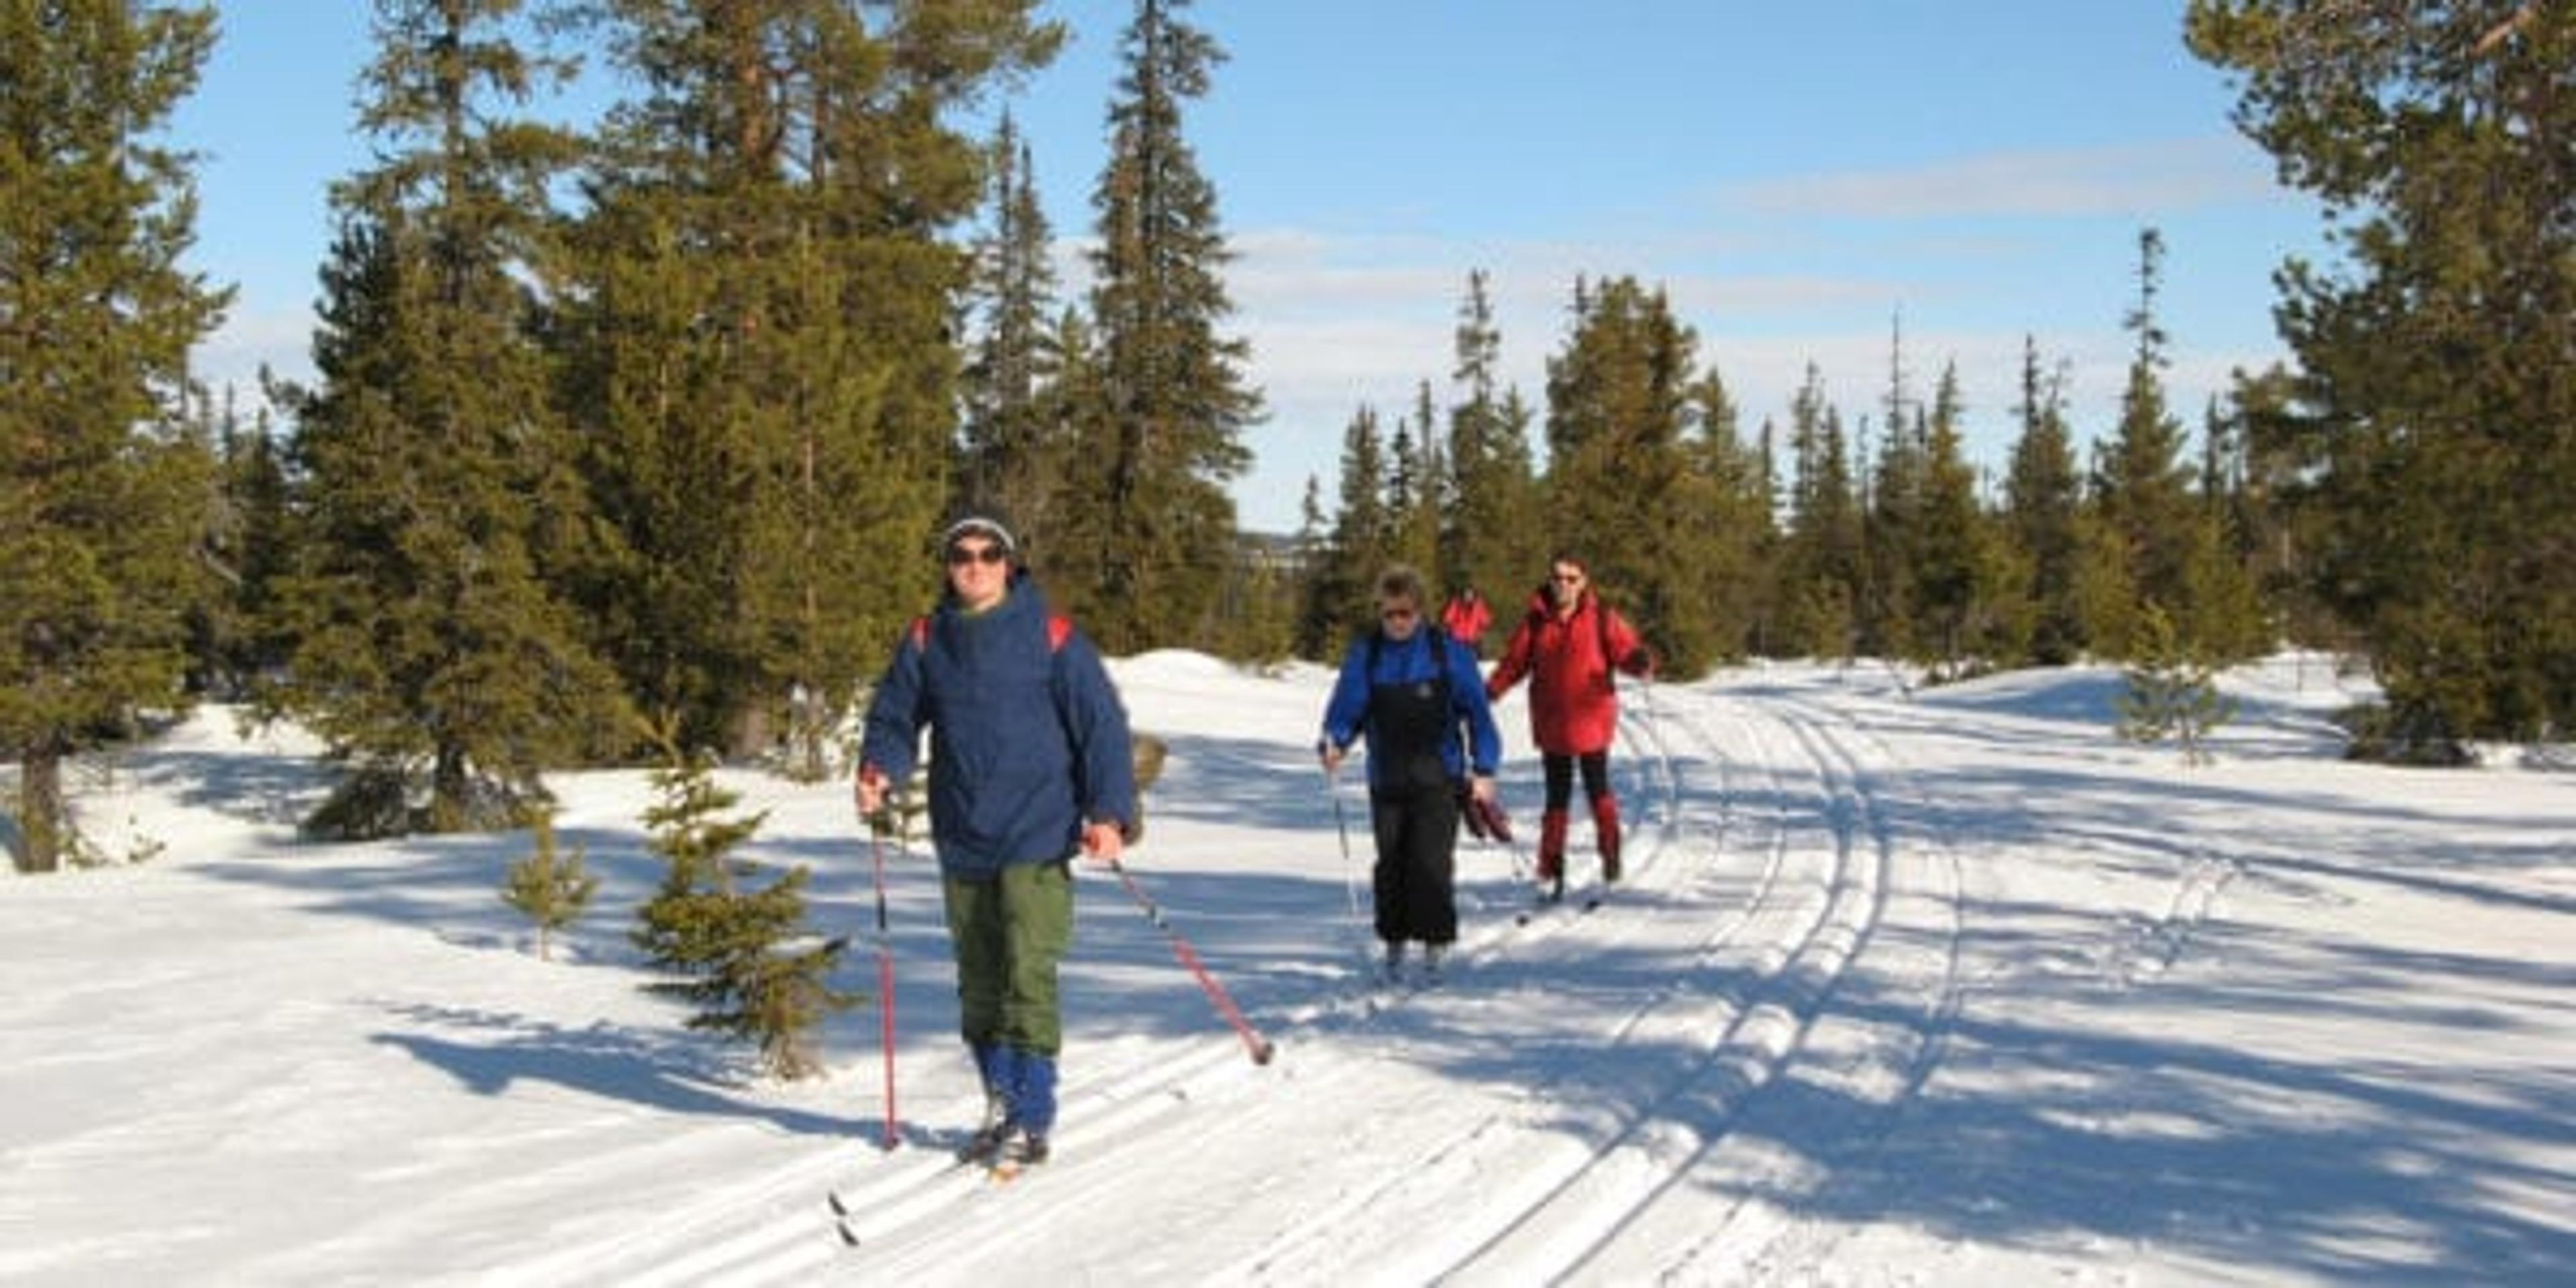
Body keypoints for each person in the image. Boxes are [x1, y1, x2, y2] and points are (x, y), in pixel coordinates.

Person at [857, 513, 1136, 1171]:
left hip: (1038, 829)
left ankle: (1033, 1115)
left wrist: (1109, 813)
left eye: (989, 554)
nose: (975, 565)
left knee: (1027, 969)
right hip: (963, 833)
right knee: (980, 981)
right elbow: (894, 717)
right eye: (962, 555)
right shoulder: (929, 639)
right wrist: (879, 770)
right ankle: (1001, 1099)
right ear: (948, 564)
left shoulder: (1052, 635)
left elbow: (1101, 728)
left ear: (1009, 564)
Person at [1318, 566, 1504, 981]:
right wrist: (1335, 741)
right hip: (1387, 777)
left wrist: (1485, 768)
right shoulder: (1367, 654)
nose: (1398, 622)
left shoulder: (1447, 653)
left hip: (1440, 776)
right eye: (1390, 614)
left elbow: (1478, 713)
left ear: (1420, 611)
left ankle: (1435, 944)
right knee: (1392, 862)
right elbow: (1347, 707)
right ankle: (1394, 942)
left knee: (1431, 862)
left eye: (1406, 613)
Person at [1485, 551, 1654, 902]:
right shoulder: (1536, 621)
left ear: (1584, 582)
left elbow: (1625, 651)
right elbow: (1515, 663)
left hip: (1592, 719)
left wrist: (1639, 662)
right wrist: (1491, 691)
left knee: (1598, 790)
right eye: (1558, 578)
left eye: (1571, 578)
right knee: (1556, 799)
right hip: (1552, 722)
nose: (1563, 585)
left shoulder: (1601, 619)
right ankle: (1551, 869)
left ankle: (1610, 855)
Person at [1439, 584, 1492, 657]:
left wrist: (1484, 627)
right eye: (1466, 594)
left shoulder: (1479, 605)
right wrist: (1446, 623)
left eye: (1470, 594)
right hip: (1457, 636)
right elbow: (1449, 615)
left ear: (1474, 595)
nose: (1468, 596)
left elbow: (1485, 619)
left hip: (1472, 636)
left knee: (1477, 653)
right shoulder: (1457, 603)